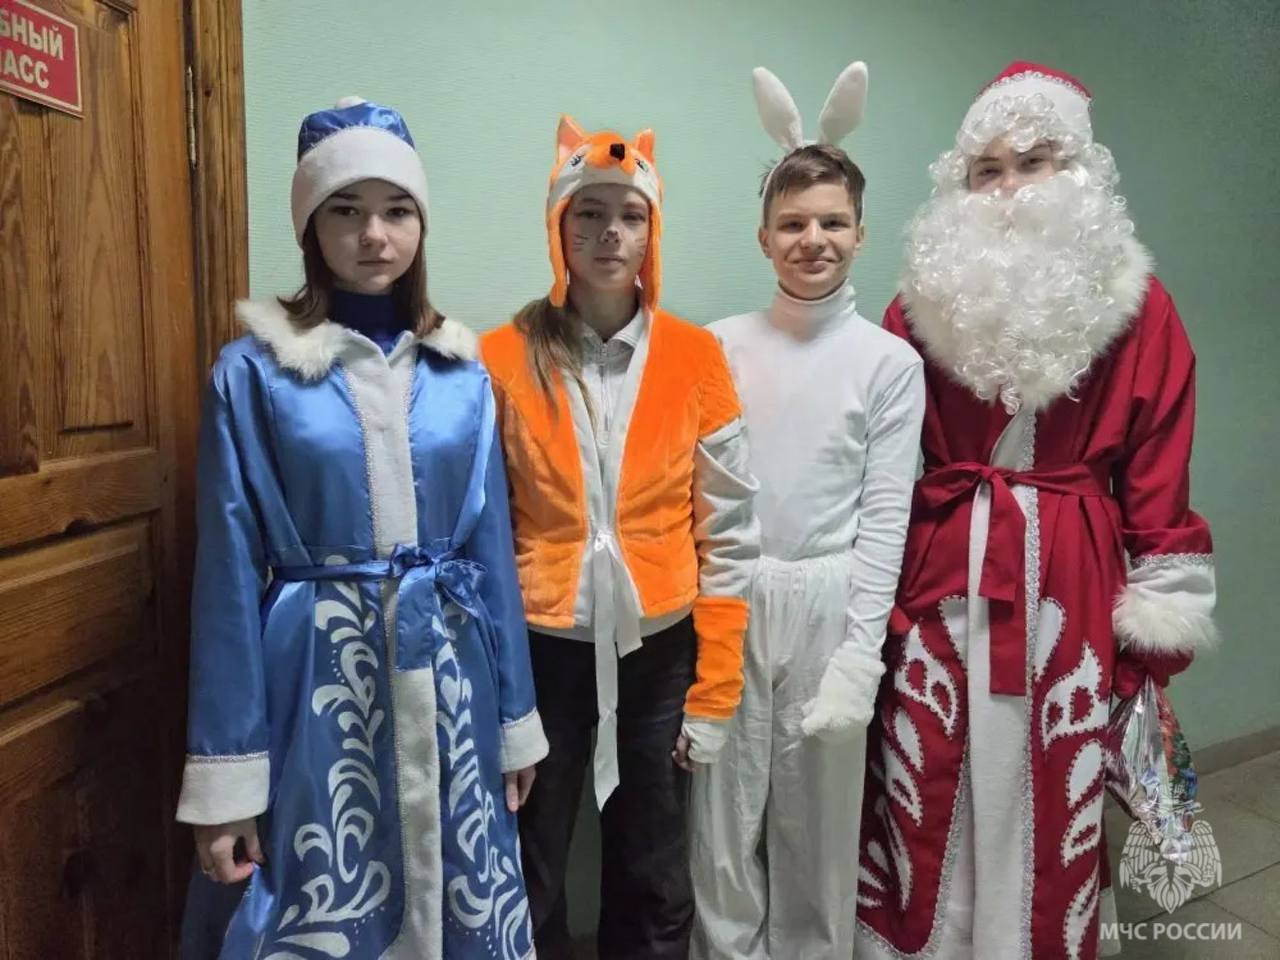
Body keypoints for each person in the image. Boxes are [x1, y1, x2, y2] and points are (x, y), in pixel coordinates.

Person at [853, 62, 1218, 960]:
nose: (1010, 186)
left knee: (1058, 772)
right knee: (926, 766)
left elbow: (1158, 467)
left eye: (1034, 162)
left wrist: (1158, 614)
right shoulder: (916, 305)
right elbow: (880, 453)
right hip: (942, 566)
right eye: (988, 169)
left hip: (1071, 576)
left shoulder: (1140, 306)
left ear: (1078, 173)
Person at [176, 96, 547, 960]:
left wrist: (513, 721)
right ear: (311, 226)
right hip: (314, 679)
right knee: (324, 879)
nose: (374, 235)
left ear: (421, 223)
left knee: (457, 887)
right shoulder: (253, 374)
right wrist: (227, 780)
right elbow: (227, 575)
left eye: (396, 210)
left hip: (453, 676)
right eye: (345, 210)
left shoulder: (462, 375)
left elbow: (491, 555)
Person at [480, 115, 759, 959]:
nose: (610, 234)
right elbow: (480, 529)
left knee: (655, 868)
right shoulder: (501, 357)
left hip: (659, 651)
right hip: (543, 648)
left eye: (630, 215)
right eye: (589, 213)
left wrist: (714, 690)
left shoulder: (696, 357)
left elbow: (730, 530)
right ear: (558, 225)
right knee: (530, 863)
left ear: (652, 230)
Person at [690, 62, 925, 960]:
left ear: (861, 233)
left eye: (831, 222)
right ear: (764, 238)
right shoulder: (721, 345)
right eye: (793, 224)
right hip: (733, 593)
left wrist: (861, 653)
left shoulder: (887, 363)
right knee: (720, 813)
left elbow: (886, 516)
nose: (812, 239)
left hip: (831, 601)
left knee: (819, 816)